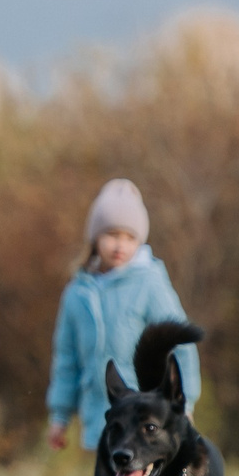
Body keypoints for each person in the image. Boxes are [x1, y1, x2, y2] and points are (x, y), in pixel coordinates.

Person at [44, 178, 201, 451]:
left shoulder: (149, 283)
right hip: (99, 418)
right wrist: (60, 415)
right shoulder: (77, 293)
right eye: (112, 235)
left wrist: (185, 405)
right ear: (95, 237)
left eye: (130, 238)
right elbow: (66, 359)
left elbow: (178, 344)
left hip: (143, 422)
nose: (120, 245)